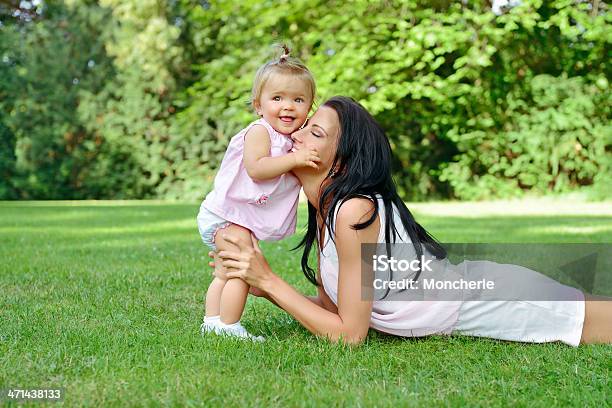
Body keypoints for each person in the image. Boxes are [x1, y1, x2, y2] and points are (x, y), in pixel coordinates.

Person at [215, 96, 612, 346]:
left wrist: (269, 280)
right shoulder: (325, 210)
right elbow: (332, 310)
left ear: (340, 160)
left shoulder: (355, 211)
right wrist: (262, 287)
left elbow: (350, 336)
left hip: (502, 299)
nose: (296, 135)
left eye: (314, 132)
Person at [196, 45, 320, 340]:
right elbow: (257, 168)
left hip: (231, 216)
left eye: (298, 99)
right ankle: (229, 326)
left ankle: (212, 322)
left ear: (309, 107)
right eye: (277, 98)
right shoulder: (260, 132)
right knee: (243, 266)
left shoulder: (290, 140)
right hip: (226, 215)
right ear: (258, 105)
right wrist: (295, 160)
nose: (288, 106)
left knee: (225, 272)